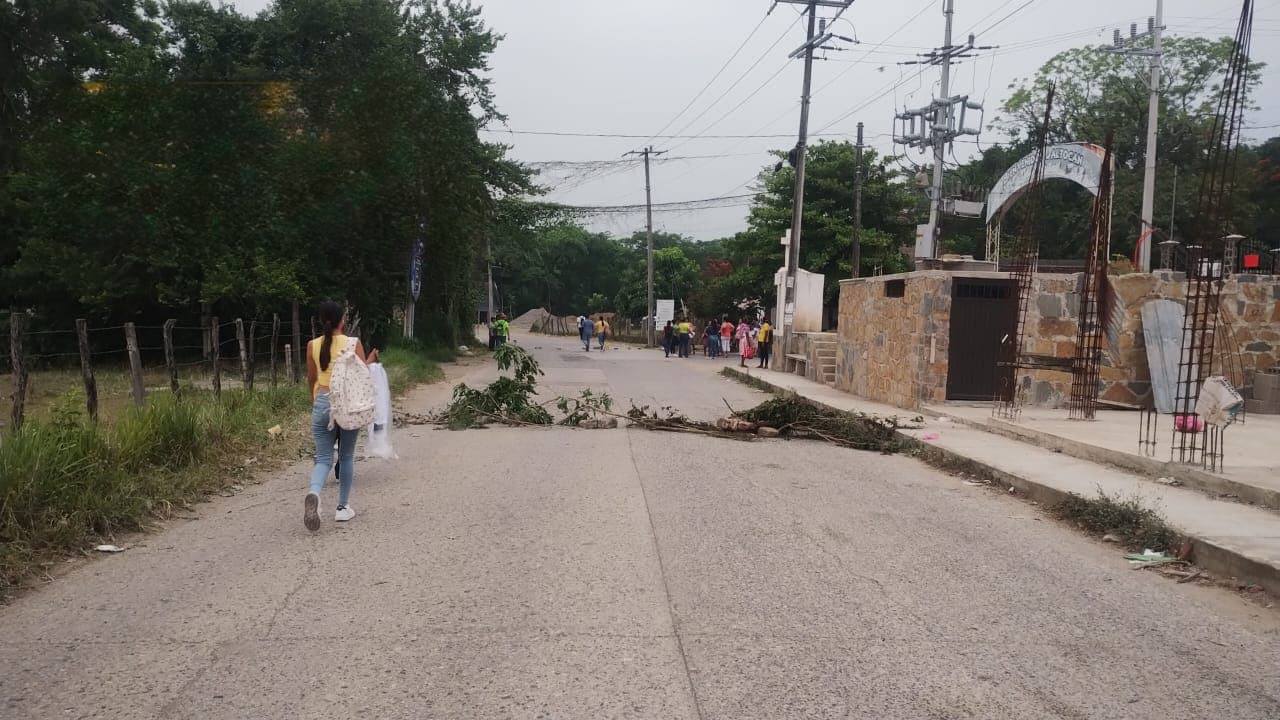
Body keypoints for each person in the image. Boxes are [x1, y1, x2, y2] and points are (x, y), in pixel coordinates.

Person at [304, 300, 378, 531]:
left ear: (321, 321)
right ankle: (342, 508)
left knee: (323, 458)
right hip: (347, 404)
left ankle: (314, 493)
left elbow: (312, 379)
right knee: (345, 456)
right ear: (342, 320)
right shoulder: (353, 343)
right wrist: (371, 360)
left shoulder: (312, 345)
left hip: (322, 403)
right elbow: (362, 375)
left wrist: (316, 401)